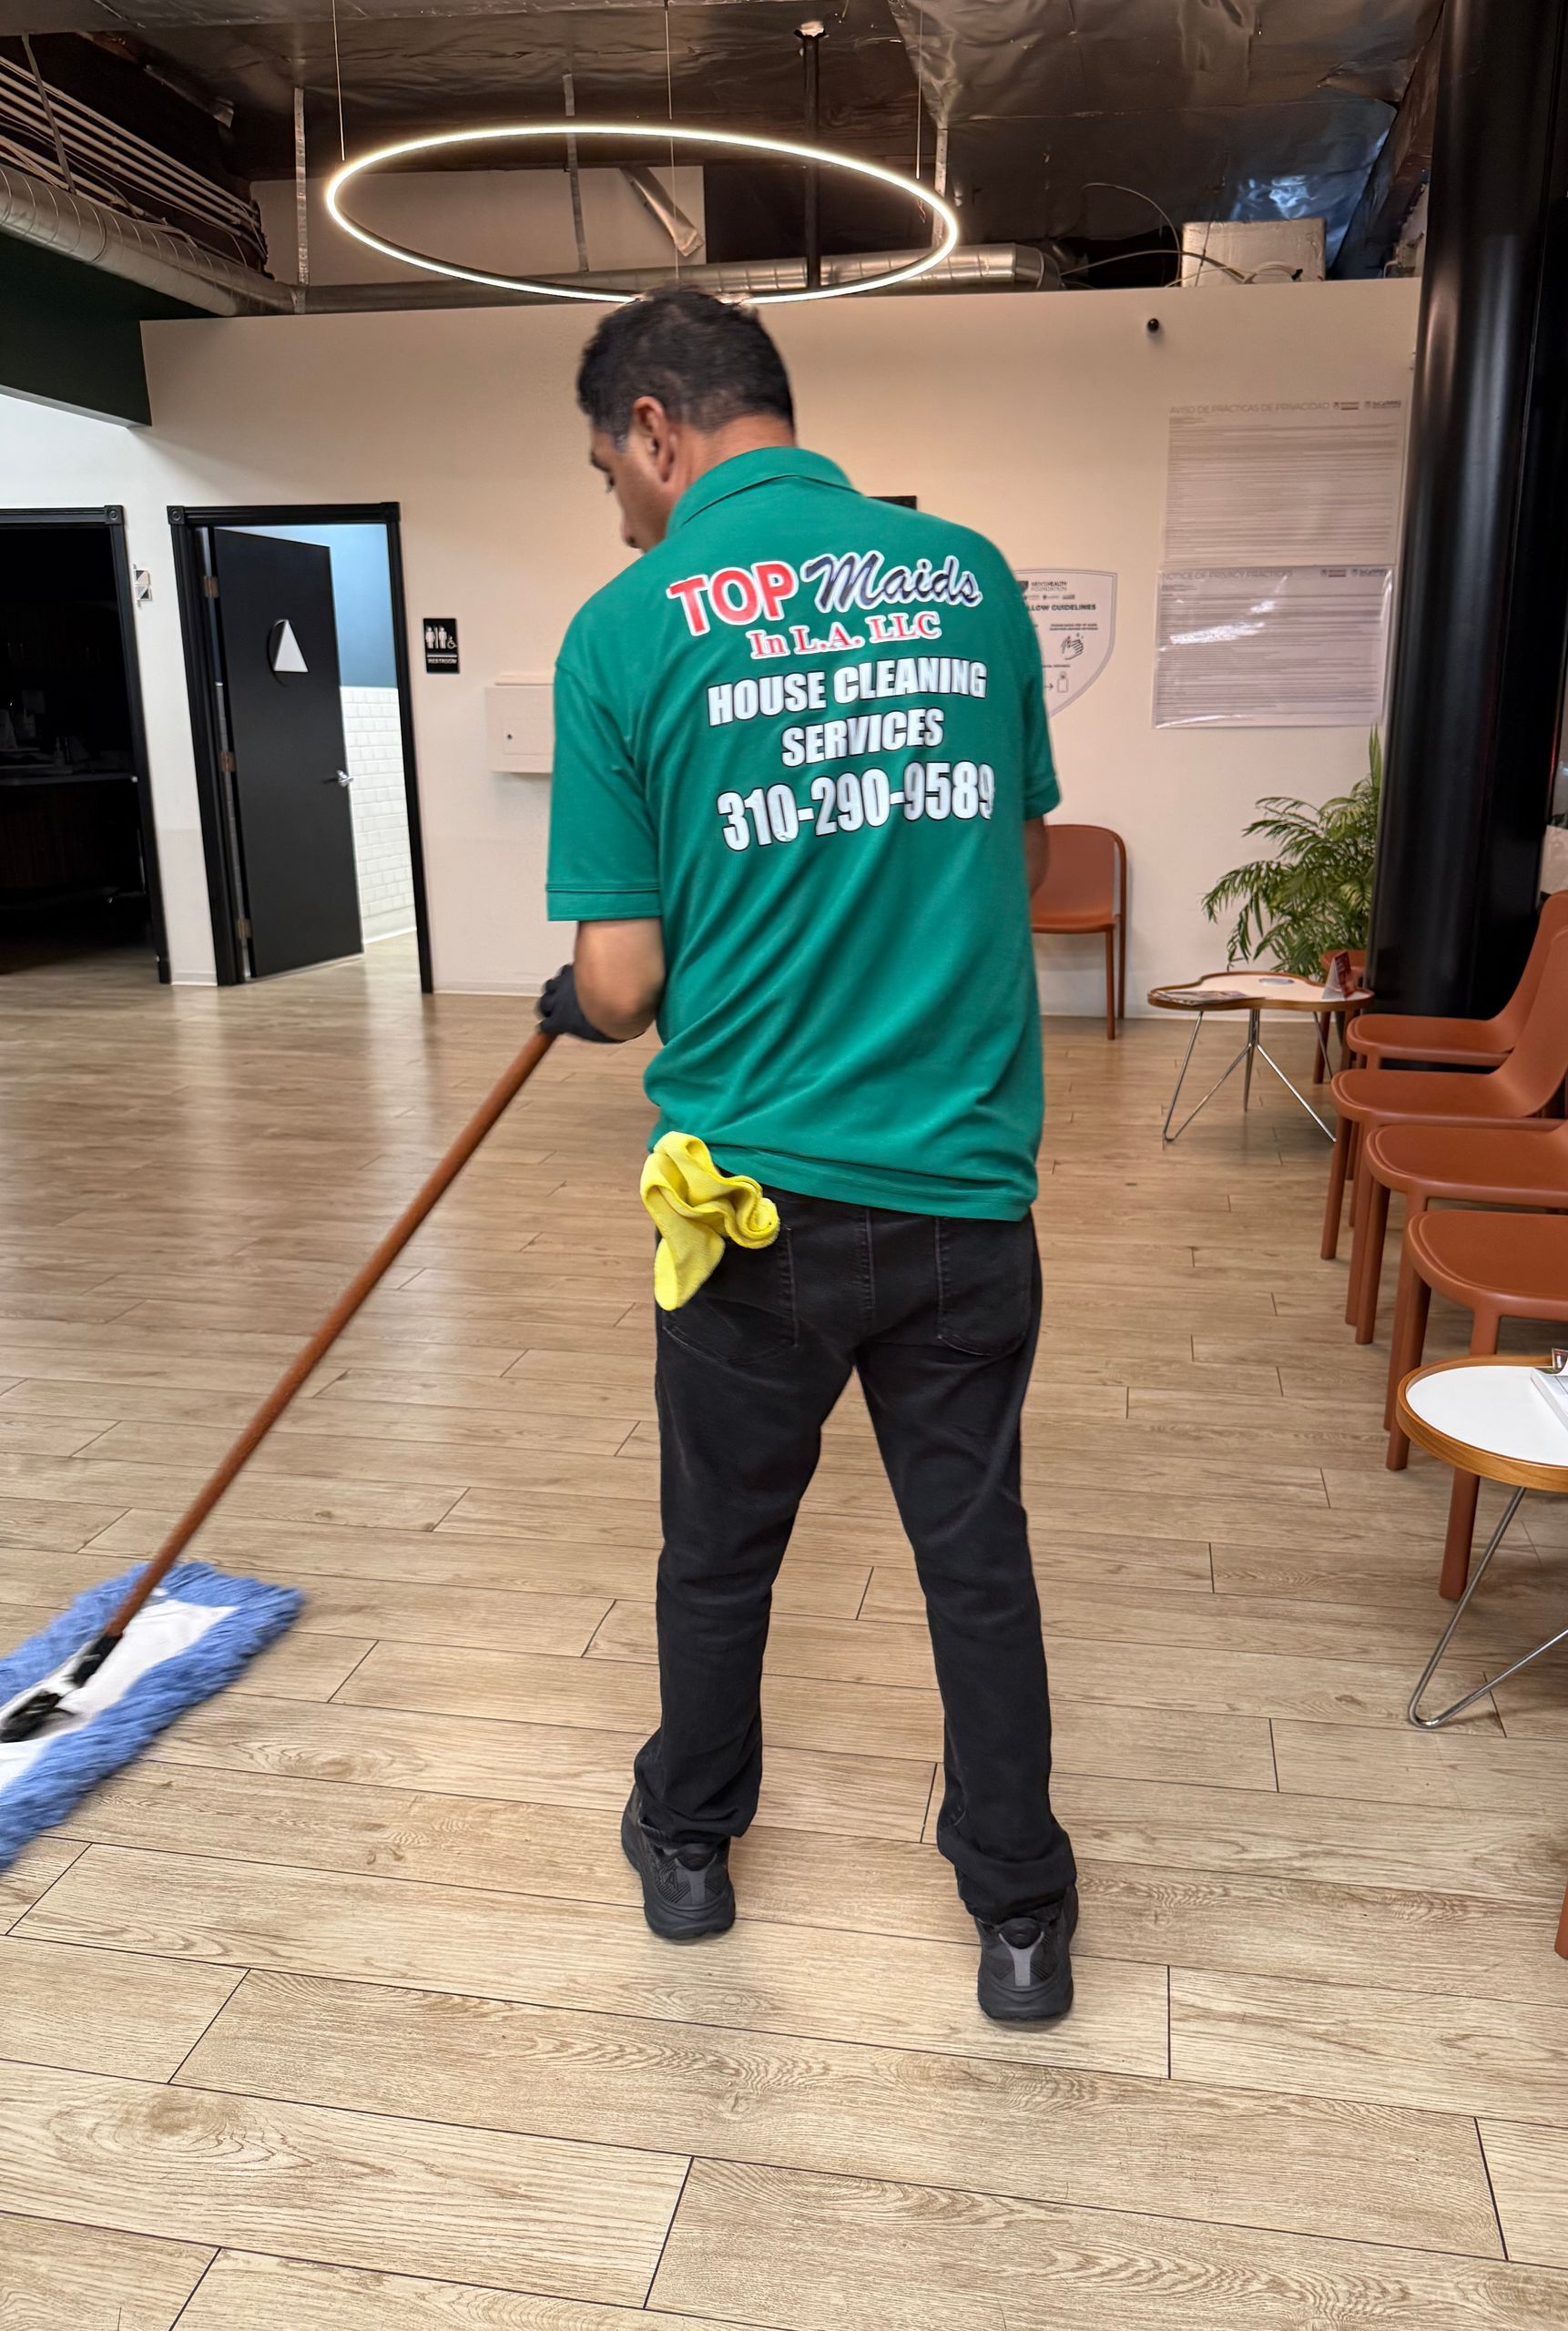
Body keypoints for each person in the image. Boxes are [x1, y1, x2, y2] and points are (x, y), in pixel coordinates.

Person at [538, 285, 1076, 2022]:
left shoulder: (626, 629)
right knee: (971, 1558)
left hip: (749, 1201)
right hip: (961, 1196)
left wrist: (583, 988)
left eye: (610, 468)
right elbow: (1005, 832)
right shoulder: (970, 577)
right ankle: (1017, 1917)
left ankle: (689, 1849)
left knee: (720, 1550)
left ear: (655, 428)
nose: (621, 505)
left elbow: (622, 985)